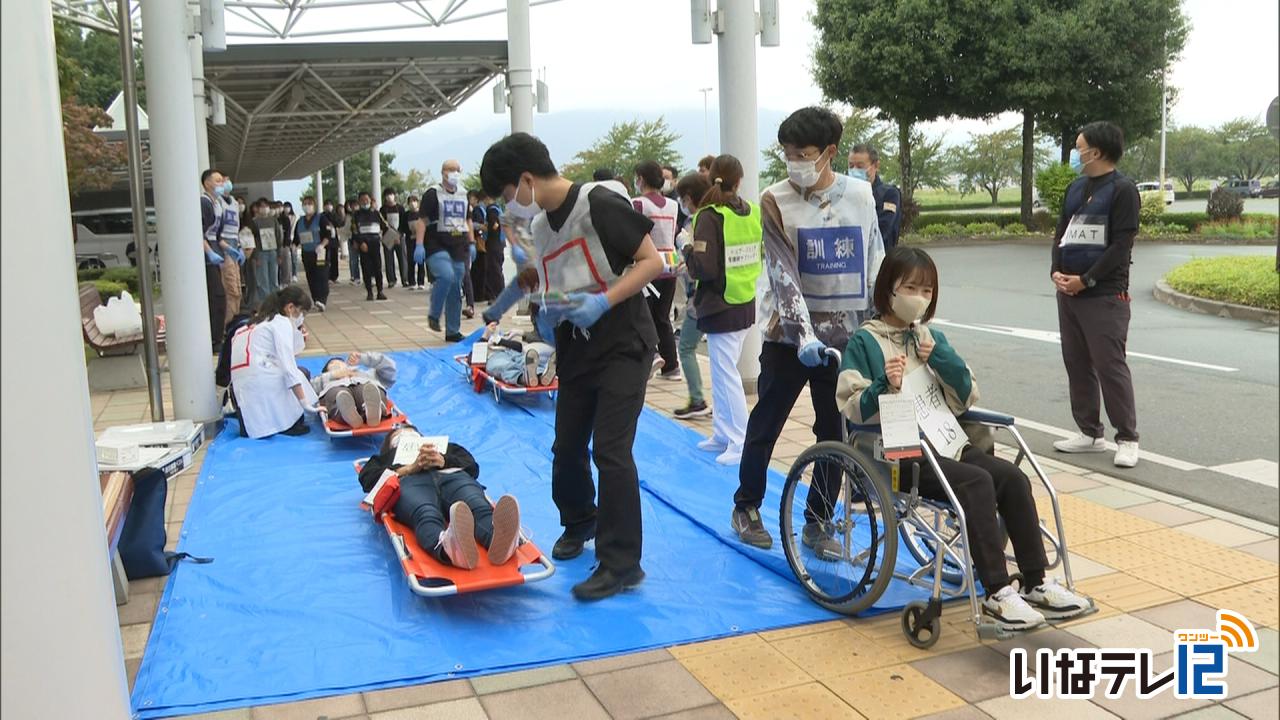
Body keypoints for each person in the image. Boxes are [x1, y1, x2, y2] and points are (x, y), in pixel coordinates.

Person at [837, 246, 1093, 629]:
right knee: (977, 482)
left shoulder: (931, 338)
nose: (919, 298)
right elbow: (851, 405)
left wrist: (940, 357)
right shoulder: (865, 341)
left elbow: (968, 392)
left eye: (927, 291)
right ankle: (996, 593)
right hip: (900, 455)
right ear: (889, 290)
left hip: (949, 443)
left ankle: (1036, 582)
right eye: (911, 288)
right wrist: (882, 385)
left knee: (1012, 478)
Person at [480, 132, 664, 600]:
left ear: (525, 180)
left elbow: (652, 261)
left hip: (624, 340)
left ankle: (621, 563)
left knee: (611, 449)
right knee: (566, 447)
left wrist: (604, 301)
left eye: (507, 196)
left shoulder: (598, 202)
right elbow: (542, 285)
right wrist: (542, 309)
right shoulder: (540, 228)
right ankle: (580, 520)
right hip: (578, 347)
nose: (510, 206)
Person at [730, 106, 884, 549]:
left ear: (830, 152)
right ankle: (746, 506)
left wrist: (879, 324)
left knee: (833, 429)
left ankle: (819, 519)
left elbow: (874, 258)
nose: (794, 160)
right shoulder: (775, 199)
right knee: (767, 421)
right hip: (788, 339)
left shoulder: (860, 195)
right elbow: (782, 274)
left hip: (844, 340)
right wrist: (804, 335)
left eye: (804, 152)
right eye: (788, 153)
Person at [1050, 121, 1142, 469]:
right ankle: (1089, 432)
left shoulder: (1123, 190)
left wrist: (1086, 280)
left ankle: (1128, 437)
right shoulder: (1076, 188)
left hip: (1103, 294)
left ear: (1098, 152)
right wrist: (1056, 271)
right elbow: (1061, 232)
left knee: (1109, 365)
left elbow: (1121, 246)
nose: (1076, 154)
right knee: (1076, 362)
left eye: (1080, 148)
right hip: (1068, 292)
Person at [684, 155, 762, 466]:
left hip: (720, 306)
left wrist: (686, 248)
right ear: (739, 181)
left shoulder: (708, 216)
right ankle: (722, 433)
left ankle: (740, 440)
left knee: (726, 374)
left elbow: (702, 268)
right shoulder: (751, 212)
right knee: (720, 371)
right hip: (743, 302)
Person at [357, 426, 523, 569]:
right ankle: (448, 548)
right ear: (391, 445)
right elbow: (368, 480)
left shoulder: (446, 448)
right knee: (425, 513)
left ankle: (499, 539)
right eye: (399, 435)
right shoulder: (384, 459)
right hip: (409, 481)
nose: (406, 435)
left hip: (452, 475)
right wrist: (409, 468)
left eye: (411, 432)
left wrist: (444, 460)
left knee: (477, 505)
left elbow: (472, 467)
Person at [229, 286, 318, 438]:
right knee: (301, 374)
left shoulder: (248, 326)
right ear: (290, 307)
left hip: (242, 396)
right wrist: (305, 404)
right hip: (265, 387)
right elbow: (288, 364)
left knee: (296, 373)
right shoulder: (280, 323)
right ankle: (288, 422)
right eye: (302, 312)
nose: (302, 317)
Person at [632, 160, 683, 382]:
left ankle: (651, 356)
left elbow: (632, 235)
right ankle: (671, 366)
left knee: (642, 315)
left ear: (640, 179)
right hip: (669, 265)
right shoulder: (673, 205)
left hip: (647, 267)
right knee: (662, 317)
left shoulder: (638, 204)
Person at [672, 173, 713, 420]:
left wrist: (685, 248)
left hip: (701, 298)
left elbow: (701, 263)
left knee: (686, 346)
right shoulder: (714, 216)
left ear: (688, 197)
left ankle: (697, 399)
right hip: (727, 298)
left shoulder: (700, 221)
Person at [418, 159, 471, 342]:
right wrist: (418, 244)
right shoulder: (433, 194)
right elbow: (422, 220)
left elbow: (468, 220)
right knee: (446, 276)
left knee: (456, 287)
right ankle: (434, 313)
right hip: (436, 244)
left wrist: (471, 243)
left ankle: (452, 330)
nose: (454, 173)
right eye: (450, 169)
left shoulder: (464, 194)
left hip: (458, 244)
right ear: (442, 172)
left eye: (457, 169)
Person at [199, 169, 236, 351]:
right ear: (207, 183)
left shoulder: (217, 204)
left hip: (215, 252)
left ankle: (217, 336)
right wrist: (209, 253)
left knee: (220, 297)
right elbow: (198, 232)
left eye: (222, 181)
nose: (222, 184)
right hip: (206, 257)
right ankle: (215, 340)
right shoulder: (204, 203)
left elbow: (218, 235)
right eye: (218, 181)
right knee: (217, 297)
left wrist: (231, 250)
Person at [312, 351, 397, 428]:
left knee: (368, 389)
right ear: (327, 371)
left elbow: (390, 369)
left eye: (341, 362)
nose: (338, 364)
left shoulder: (366, 374)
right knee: (339, 394)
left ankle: (374, 411)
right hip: (337, 389)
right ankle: (347, 415)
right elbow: (308, 388)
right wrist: (332, 375)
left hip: (364, 384)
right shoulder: (325, 381)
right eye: (332, 363)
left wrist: (364, 359)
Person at [848, 144, 901, 252]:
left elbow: (882, 230)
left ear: (876, 166)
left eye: (860, 166)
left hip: (881, 260)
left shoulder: (889, 194)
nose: (854, 170)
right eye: (851, 166)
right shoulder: (845, 194)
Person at [480, 323, 557, 387]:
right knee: (506, 366)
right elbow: (474, 358)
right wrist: (485, 336)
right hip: (494, 356)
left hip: (513, 353)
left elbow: (519, 347)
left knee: (526, 361)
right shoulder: (482, 342)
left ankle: (542, 376)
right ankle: (523, 378)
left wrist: (501, 340)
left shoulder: (502, 338)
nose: (493, 327)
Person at [295, 196, 333, 311]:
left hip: (320, 252)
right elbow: (297, 237)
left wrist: (322, 245)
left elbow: (328, 234)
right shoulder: (300, 221)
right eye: (305, 203)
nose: (307, 206)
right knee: (311, 277)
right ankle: (316, 299)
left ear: (314, 205)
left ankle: (322, 300)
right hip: (307, 253)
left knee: (321, 276)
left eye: (309, 203)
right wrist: (293, 245)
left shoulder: (321, 219)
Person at [217, 179, 245, 319]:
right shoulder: (217, 202)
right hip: (224, 245)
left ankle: (235, 317)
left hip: (234, 243)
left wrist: (239, 247)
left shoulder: (234, 203)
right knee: (230, 288)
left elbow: (236, 229)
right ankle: (228, 323)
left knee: (238, 287)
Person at [353, 191, 387, 301]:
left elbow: (385, 226)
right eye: (362, 200)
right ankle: (369, 292)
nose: (365, 201)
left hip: (375, 244)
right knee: (366, 269)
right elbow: (354, 231)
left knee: (378, 268)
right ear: (359, 201)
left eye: (366, 199)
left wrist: (393, 236)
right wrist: (360, 242)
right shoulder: (356, 215)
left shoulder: (376, 213)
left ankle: (380, 291)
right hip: (363, 245)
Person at [380, 188, 407, 288]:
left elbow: (404, 223)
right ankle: (391, 280)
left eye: (391, 194)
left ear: (394, 195)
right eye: (387, 195)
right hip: (387, 236)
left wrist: (399, 235)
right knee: (388, 259)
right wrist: (391, 234)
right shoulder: (382, 209)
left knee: (402, 258)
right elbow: (382, 224)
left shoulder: (400, 208)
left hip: (400, 236)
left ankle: (405, 279)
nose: (389, 196)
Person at [482, 192, 506, 301]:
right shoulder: (498, 208)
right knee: (497, 269)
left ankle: (499, 294)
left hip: (493, 243)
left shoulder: (491, 210)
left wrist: (485, 227)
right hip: (499, 243)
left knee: (494, 270)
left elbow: (494, 225)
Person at [469, 190, 489, 306]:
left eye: (471, 198)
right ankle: (480, 294)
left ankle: (478, 294)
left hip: (478, 243)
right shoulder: (482, 209)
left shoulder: (477, 210)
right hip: (482, 242)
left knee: (477, 269)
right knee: (480, 269)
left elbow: (476, 225)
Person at [403, 194, 427, 290]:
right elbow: (403, 227)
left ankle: (421, 282)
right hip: (410, 240)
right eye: (410, 202)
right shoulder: (406, 215)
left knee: (421, 261)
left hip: (420, 240)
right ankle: (411, 281)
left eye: (414, 201)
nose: (413, 203)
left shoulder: (422, 214)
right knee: (410, 260)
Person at [323, 199, 344, 284]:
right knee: (326, 259)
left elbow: (339, 223)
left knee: (334, 259)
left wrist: (332, 214)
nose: (328, 206)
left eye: (330, 204)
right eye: (327, 205)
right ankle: (327, 276)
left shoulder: (334, 215)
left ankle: (334, 276)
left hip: (334, 239)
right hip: (325, 239)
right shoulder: (322, 216)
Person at [344, 199, 362, 285]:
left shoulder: (362, 215)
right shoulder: (349, 217)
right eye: (353, 205)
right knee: (354, 259)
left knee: (365, 260)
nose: (355, 207)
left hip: (363, 240)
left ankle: (369, 277)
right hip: (352, 240)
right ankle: (356, 277)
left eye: (356, 205)